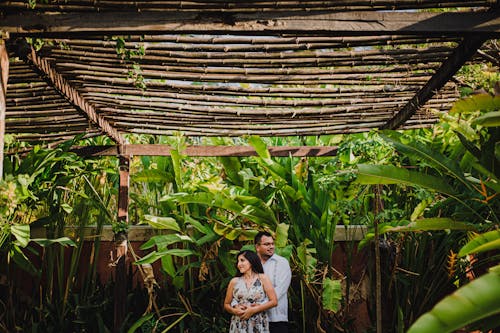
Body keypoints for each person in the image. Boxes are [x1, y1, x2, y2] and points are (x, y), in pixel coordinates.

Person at [224, 250, 278, 333]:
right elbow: (226, 304)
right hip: (239, 324)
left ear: (251, 261)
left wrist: (254, 310)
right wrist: (234, 311)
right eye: (238, 261)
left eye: (242, 260)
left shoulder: (263, 278)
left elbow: (274, 301)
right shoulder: (234, 281)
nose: (239, 264)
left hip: (258, 323)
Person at [254, 231, 292, 333]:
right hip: (254, 319)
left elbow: (280, 290)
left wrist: (258, 306)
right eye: (267, 244)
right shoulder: (251, 264)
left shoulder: (282, 262)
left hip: (276, 318)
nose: (271, 247)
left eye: (272, 244)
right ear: (257, 247)